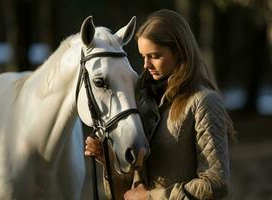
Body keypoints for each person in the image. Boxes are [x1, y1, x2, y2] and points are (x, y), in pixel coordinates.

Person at [84, 9, 235, 200]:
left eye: (154, 56)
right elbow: (125, 194)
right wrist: (111, 162)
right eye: (142, 56)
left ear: (180, 52)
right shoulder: (140, 98)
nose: (146, 65)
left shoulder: (204, 102)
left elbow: (216, 184)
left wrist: (151, 197)